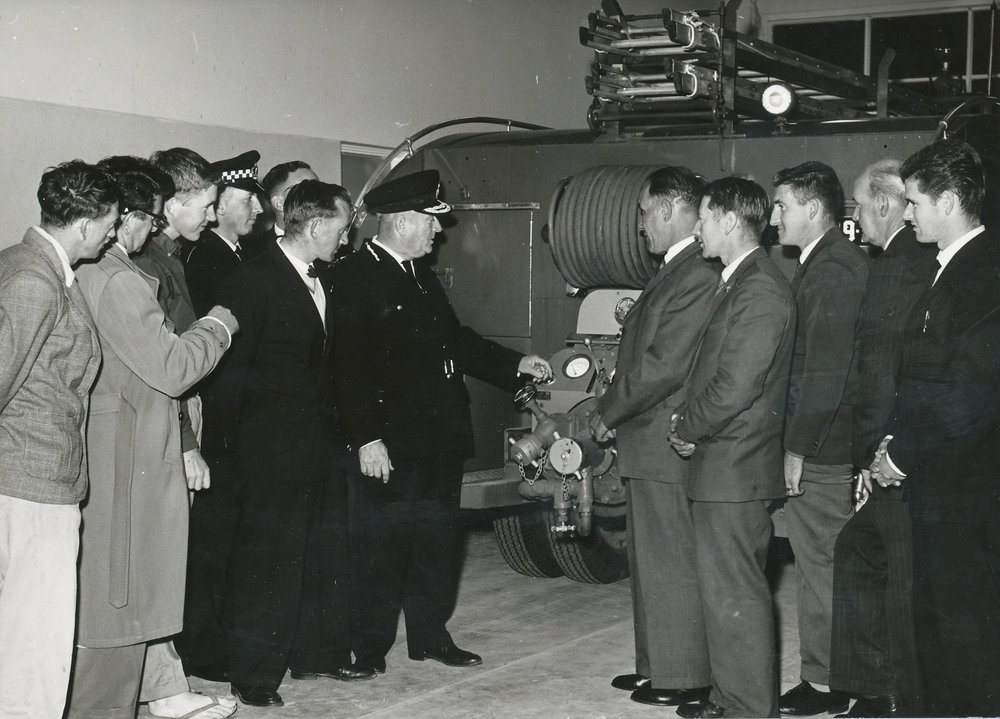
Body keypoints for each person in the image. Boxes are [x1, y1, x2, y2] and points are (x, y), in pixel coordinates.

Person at [330, 169, 553, 676]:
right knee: (380, 545)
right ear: (403, 222)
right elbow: (348, 369)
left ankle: (430, 635)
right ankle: (368, 648)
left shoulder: (419, 273)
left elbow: (453, 340)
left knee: (435, 542)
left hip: (437, 437)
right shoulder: (353, 277)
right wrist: (366, 437)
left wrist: (512, 363)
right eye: (431, 222)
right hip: (388, 443)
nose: (439, 232)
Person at [68, 156, 238, 719]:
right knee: (120, 602)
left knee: (125, 601)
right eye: (147, 217)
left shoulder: (109, 273)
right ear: (127, 217)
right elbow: (171, 368)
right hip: (127, 458)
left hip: (126, 451)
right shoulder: (116, 279)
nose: (151, 230)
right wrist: (218, 325)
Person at [221, 180, 365, 708]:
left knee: (319, 553)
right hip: (271, 451)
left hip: (318, 447)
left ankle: (314, 655)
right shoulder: (254, 279)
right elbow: (231, 375)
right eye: (343, 227)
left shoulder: (325, 278)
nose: (347, 238)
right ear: (318, 224)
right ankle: (254, 675)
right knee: (269, 562)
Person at [872, 139, 1000, 718]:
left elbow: (969, 397)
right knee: (941, 620)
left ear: (949, 201)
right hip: (939, 477)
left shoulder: (980, 276)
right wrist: (893, 441)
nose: (907, 214)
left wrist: (902, 455)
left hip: (962, 487)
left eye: (915, 202)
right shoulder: (951, 269)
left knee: (962, 627)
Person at [668, 177, 796, 719]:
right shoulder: (738, 280)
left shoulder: (760, 288)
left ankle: (747, 710)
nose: (696, 228)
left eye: (702, 217)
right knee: (723, 599)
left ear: (727, 220)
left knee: (736, 597)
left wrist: (687, 426)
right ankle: (729, 699)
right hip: (725, 465)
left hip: (733, 465)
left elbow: (736, 385)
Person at [588, 166, 716, 707]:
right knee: (648, 560)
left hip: (662, 438)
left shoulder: (697, 274)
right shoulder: (675, 269)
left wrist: (608, 411)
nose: (640, 225)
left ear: (667, 208)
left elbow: (663, 365)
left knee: (670, 561)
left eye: (644, 211)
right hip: (647, 442)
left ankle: (684, 674)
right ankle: (655, 664)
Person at [0, 161, 113, 719]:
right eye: (111, 221)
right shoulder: (32, 280)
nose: (114, 233)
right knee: (36, 636)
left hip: (28, 474)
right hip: (33, 478)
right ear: (88, 223)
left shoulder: (26, 265)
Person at [828, 159, 936, 718]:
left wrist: (874, 455)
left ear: (885, 205)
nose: (856, 218)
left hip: (894, 451)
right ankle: (875, 688)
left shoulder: (899, 265)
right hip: (901, 444)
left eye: (859, 207)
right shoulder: (907, 261)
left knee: (889, 566)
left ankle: (891, 695)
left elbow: (883, 372)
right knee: (865, 554)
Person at [771, 161, 869, 717]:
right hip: (826, 444)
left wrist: (796, 447)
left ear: (814, 209)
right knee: (816, 568)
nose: (775, 217)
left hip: (824, 449)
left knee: (822, 569)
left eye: (783, 206)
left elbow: (825, 373)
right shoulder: (823, 265)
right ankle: (826, 677)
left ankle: (832, 684)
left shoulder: (832, 270)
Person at [177, 150, 266, 682]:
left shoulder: (233, 255)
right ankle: (205, 648)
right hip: (221, 419)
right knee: (213, 538)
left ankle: (219, 639)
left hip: (237, 418)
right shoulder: (207, 260)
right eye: (245, 198)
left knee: (229, 535)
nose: (255, 207)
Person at [185, 150, 264, 314]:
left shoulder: (247, 251)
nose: (259, 209)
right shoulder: (204, 260)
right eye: (249, 199)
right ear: (219, 206)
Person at [245, 160, 319, 256]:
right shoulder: (252, 250)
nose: (318, 195)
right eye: (306, 190)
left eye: (318, 188)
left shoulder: (337, 244)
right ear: (279, 203)